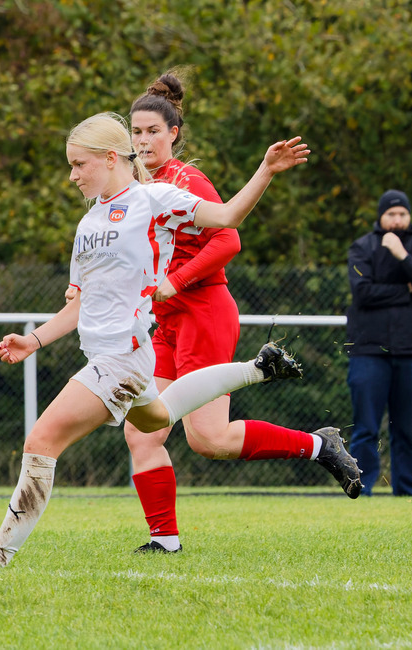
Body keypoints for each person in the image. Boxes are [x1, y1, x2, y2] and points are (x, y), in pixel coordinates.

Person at [0, 112, 339, 569]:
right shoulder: (88, 224)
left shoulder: (155, 199)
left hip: (122, 359)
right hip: (116, 357)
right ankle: (257, 369)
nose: (72, 175)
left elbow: (229, 218)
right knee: (159, 417)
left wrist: (266, 170)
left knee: (41, 440)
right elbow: (80, 303)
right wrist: (33, 341)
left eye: (79, 164)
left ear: (110, 158)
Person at [122, 74, 363, 555]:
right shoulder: (137, 185)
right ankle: (163, 540)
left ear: (173, 133)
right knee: (142, 429)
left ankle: (320, 446)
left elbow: (228, 238)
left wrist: (174, 282)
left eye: (153, 131)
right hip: (167, 322)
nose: (143, 140)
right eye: (136, 131)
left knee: (208, 439)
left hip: (204, 312)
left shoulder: (186, 179)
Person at [346, 189, 412, 496]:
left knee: (406, 430)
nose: (397, 220)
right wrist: (408, 289)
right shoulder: (362, 247)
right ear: (381, 216)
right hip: (368, 351)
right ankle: (360, 489)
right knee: (365, 428)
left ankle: (407, 492)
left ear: (409, 216)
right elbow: (363, 293)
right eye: (391, 214)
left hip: (411, 352)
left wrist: (402, 255)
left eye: (402, 214)